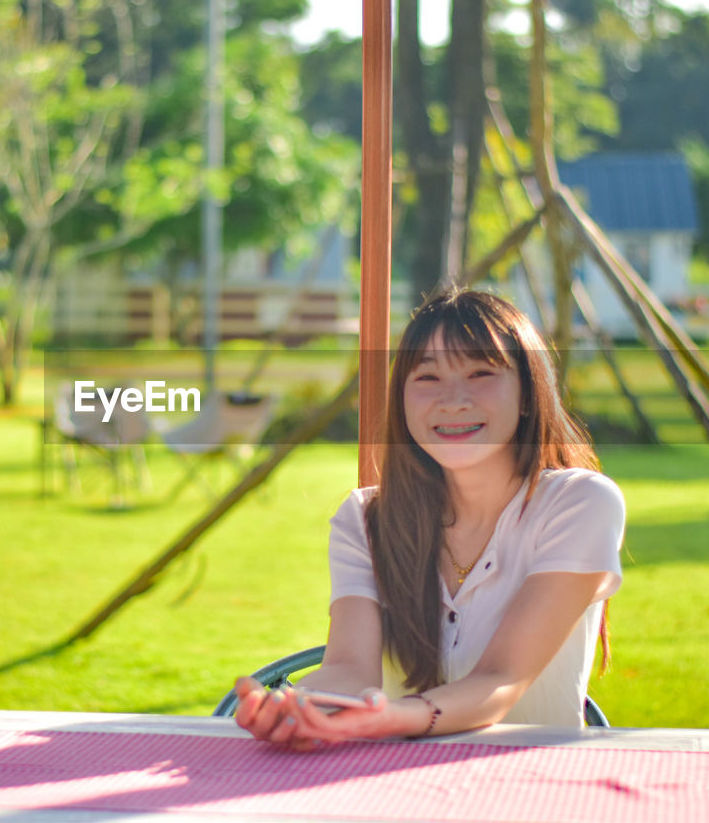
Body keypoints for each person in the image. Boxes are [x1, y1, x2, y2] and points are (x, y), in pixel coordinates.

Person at [234, 288, 625, 748]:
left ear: (526, 394)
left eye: (481, 373)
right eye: (427, 378)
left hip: (534, 786)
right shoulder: (365, 518)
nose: (453, 399)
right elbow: (349, 668)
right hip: (387, 787)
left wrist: (392, 718)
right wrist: (298, 708)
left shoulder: (580, 504)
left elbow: (501, 679)